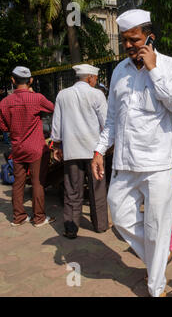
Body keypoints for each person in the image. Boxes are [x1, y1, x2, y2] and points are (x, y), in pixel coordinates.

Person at [90, 9, 172, 297]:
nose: (129, 45)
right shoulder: (119, 71)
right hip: (126, 161)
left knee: (157, 225)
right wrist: (98, 150)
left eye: (134, 39)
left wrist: (154, 69)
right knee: (118, 213)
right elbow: (111, 120)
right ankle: (157, 255)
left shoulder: (169, 66)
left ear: (149, 36)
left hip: (158, 162)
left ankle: (155, 287)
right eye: (125, 41)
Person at [51, 64, 109, 239]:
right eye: (96, 79)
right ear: (90, 78)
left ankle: (71, 227)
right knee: (97, 188)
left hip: (72, 149)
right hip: (94, 151)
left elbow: (57, 123)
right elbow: (106, 122)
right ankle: (100, 225)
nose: (96, 81)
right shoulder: (97, 94)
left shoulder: (63, 94)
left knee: (72, 190)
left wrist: (56, 144)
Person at [0, 66, 55, 227]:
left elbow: (3, 128)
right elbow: (52, 108)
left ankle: (19, 217)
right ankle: (38, 218)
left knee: (18, 183)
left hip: (17, 148)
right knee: (38, 182)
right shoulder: (36, 98)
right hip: (36, 148)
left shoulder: (4, 102)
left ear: (12, 80)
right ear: (30, 80)